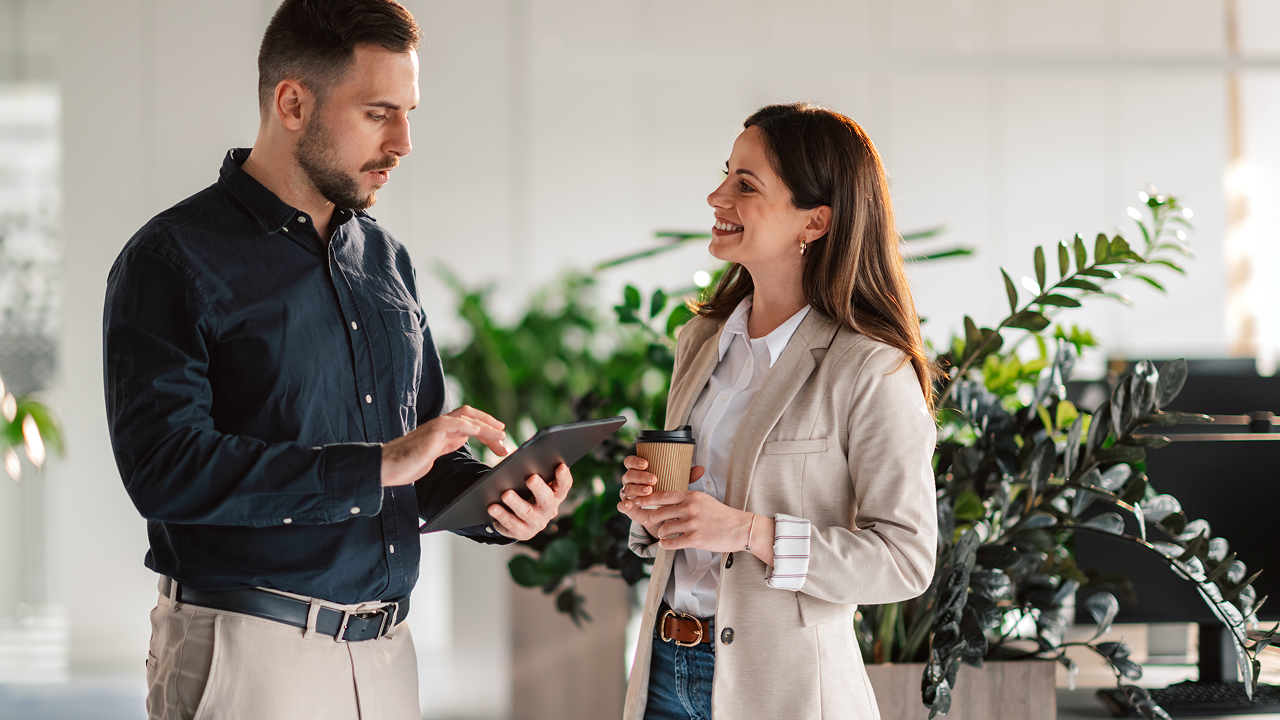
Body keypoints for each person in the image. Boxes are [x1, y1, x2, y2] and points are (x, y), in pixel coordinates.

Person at [102, 2, 572, 718]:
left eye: (409, 113)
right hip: (251, 657)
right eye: (380, 113)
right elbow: (165, 471)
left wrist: (498, 504)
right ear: (293, 102)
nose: (405, 141)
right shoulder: (172, 259)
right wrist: (377, 465)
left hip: (388, 655)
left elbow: (417, 461)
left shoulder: (385, 260)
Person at [617, 103, 940, 720]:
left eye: (746, 184)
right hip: (663, 669)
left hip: (783, 689)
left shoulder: (869, 368)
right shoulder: (701, 341)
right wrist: (652, 505)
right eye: (725, 175)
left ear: (814, 221)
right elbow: (683, 522)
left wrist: (747, 531)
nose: (717, 196)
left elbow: (905, 560)